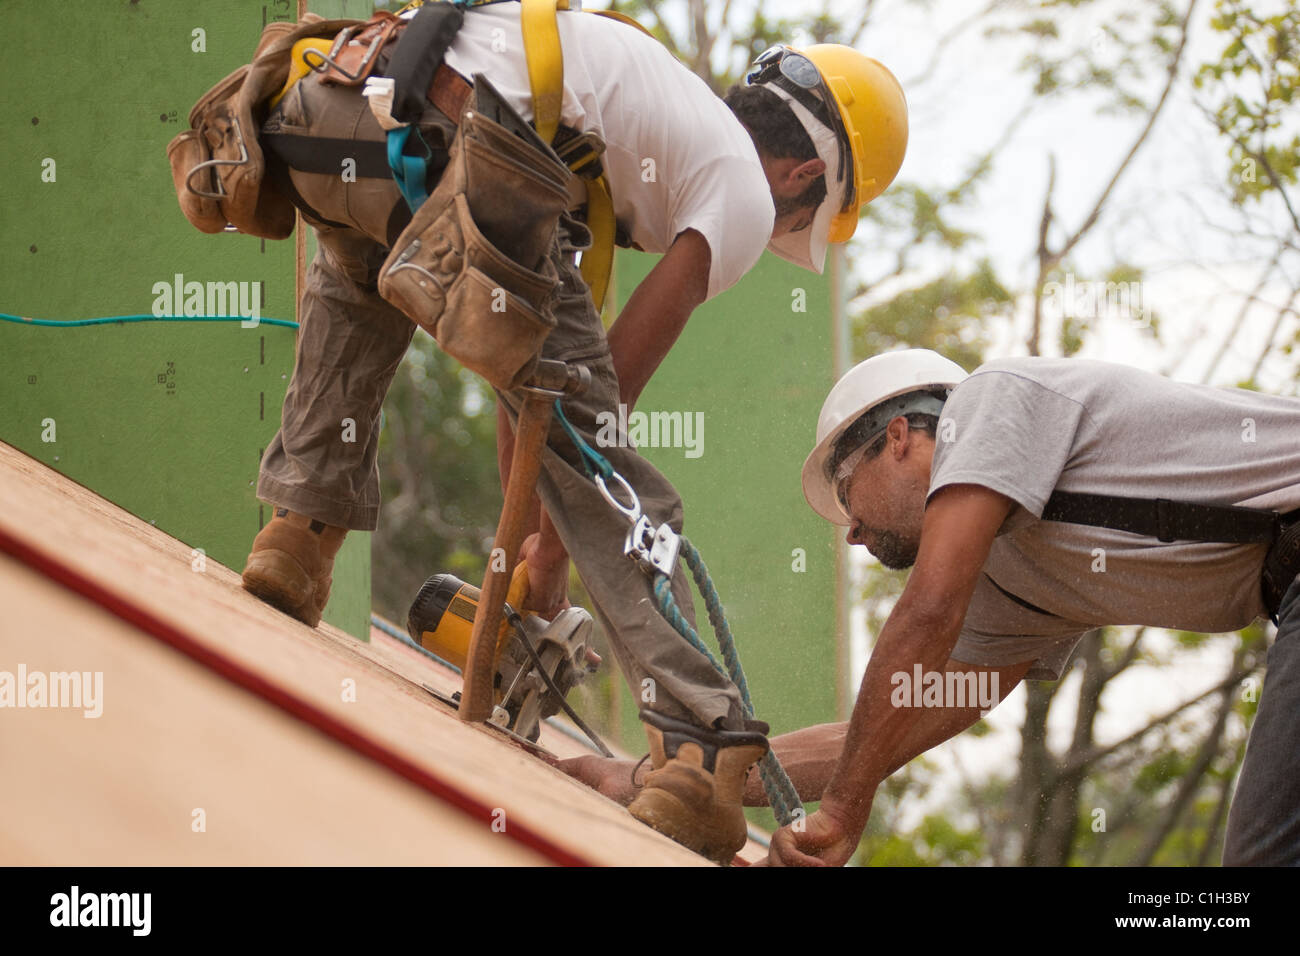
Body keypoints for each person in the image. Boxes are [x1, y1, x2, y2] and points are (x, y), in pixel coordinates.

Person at [229, 0, 908, 863]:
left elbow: (534, 382)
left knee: (355, 281)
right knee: (618, 477)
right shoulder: (734, 185)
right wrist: (545, 560)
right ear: (806, 173)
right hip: (463, 141)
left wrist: (527, 568)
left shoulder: (628, 112)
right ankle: (701, 744)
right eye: (810, 212)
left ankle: (298, 533)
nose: (789, 229)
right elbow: (594, 411)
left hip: (326, 109)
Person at [562, 348, 1300, 866]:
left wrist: (845, 812)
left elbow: (927, 610)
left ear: (901, 438)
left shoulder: (993, 399)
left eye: (848, 493)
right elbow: (880, 736)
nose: (850, 531)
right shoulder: (1015, 582)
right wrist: (660, 777)